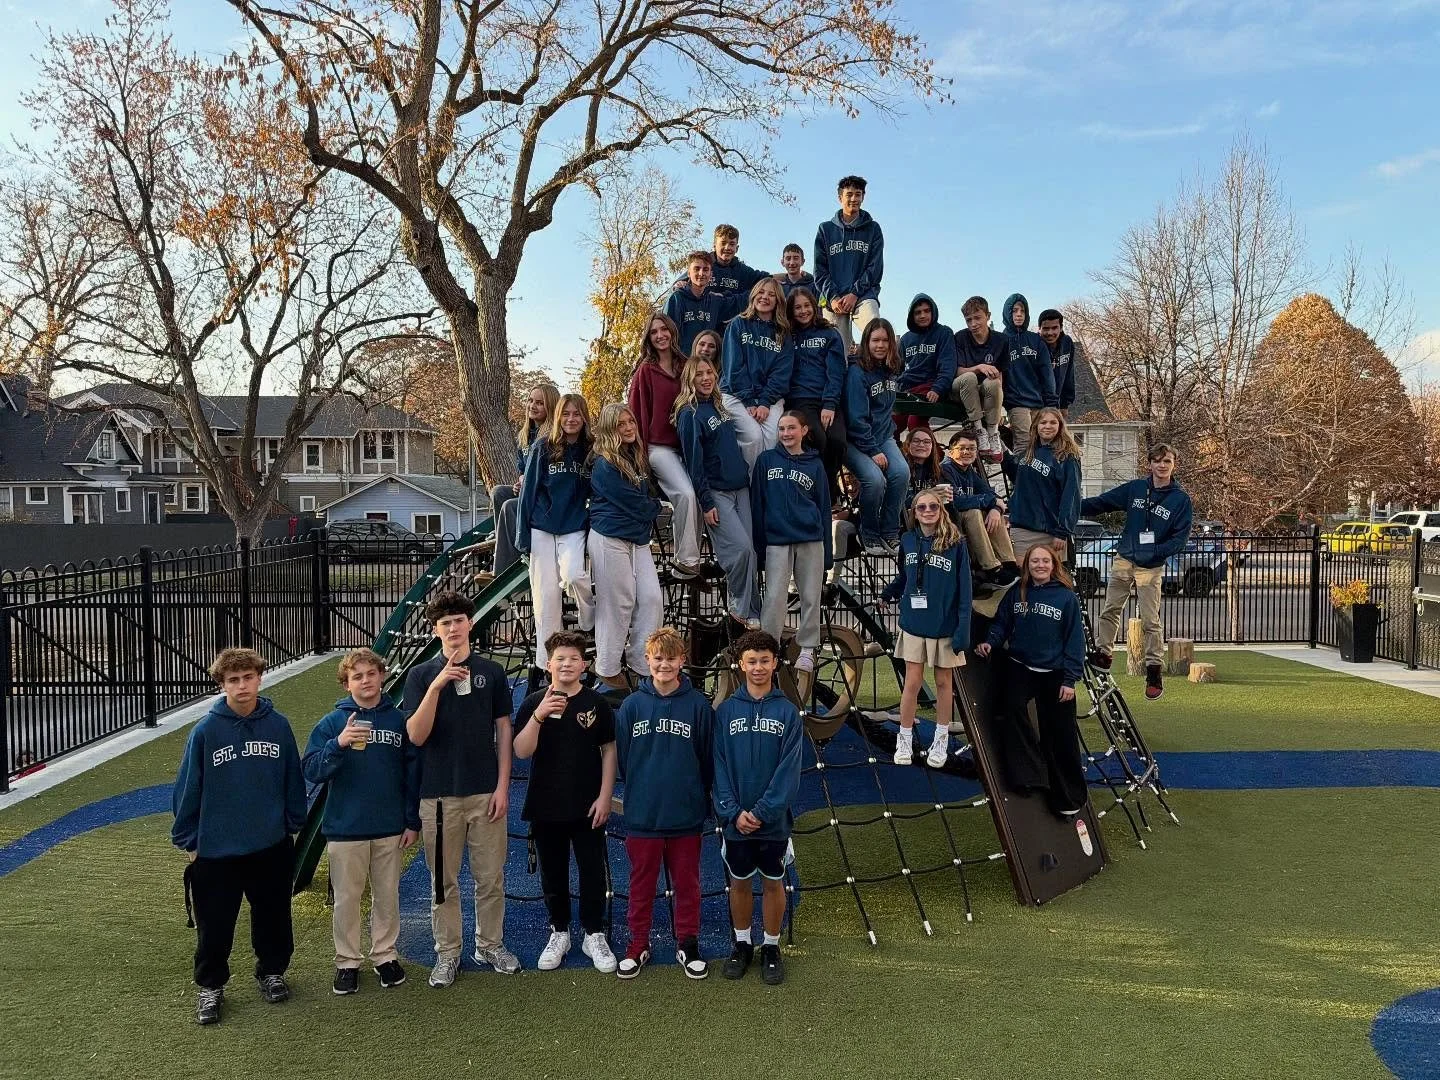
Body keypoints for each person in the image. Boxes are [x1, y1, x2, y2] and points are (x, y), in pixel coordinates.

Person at [172, 647, 306, 1025]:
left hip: (270, 844)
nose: (242, 686)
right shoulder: (206, 731)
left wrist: (292, 822)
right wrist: (190, 840)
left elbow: (292, 776)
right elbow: (187, 788)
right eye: (233, 680)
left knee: (273, 916)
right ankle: (211, 986)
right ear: (222, 685)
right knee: (215, 924)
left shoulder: (278, 726)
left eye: (248, 677)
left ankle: (272, 971)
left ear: (260, 678)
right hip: (218, 850)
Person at [404, 591, 518, 986]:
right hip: (438, 795)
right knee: (443, 881)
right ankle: (448, 952)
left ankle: (490, 945)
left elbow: (504, 730)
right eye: (445, 623)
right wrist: (436, 687)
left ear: (470, 623)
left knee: (491, 877)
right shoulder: (421, 675)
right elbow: (416, 736)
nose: (453, 628)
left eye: (458, 620)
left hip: (484, 791)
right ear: (435, 630)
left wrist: (503, 786)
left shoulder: (491, 672)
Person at [302, 648, 421, 996]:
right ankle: (347, 961)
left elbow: (411, 774)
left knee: (387, 896)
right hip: (346, 828)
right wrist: (338, 744)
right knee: (346, 899)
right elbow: (312, 769)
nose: (366, 681)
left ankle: (385, 955)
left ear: (382, 676)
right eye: (357, 676)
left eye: (371, 673)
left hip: (389, 826)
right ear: (346, 684)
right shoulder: (332, 722)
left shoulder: (398, 720)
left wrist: (411, 821)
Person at [512, 630, 618, 973]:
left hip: (587, 805)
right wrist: (539, 715)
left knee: (592, 871)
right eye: (560, 658)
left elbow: (608, 750)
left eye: (574, 658)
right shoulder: (534, 702)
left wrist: (605, 796)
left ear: (584, 665)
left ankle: (593, 933)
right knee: (553, 873)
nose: (567, 664)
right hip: (546, 805)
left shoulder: (597, 703)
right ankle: (560, 931)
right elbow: (521, 751)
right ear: (548, 664)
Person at [614, 627, 715, 980]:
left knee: (688, 884)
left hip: (686, 814)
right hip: (644, 814)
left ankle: (688, 943)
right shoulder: (631, 706)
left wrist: (695, 796)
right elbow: (624, 760)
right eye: (658, 658)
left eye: (671, 658)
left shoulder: (698, 705)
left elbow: (706, 758)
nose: (664, 665)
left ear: (682, 661)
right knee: (641, 886)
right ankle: (638, 944)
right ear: (647, 660)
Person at [713, 630, 803, 986]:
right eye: (752, 661)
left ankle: (771, 946)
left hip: (772, 822)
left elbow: (788, 771)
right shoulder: (725, 712)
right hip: (735, 819)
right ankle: (741, 944)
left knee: (773, 882)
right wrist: (732, 811)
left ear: (775, 663)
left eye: (765, 660)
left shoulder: (788, 713)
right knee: (738, 883)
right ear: (740, 664)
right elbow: (718, 766)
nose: (758, 667)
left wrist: (764, 811)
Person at [975, 545, 1089, 823]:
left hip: (1055, 672)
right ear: (1027, 565)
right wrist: (990, 641)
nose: (1040, 565)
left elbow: (1075, 641)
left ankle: (1068, 798)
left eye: (1045, 561)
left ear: (1053, 565)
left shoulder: (1066, 598)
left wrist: (1070, 680)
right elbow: (1002, 622)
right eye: (1035, 561)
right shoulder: (1018, 592)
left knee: (1060, 732)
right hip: (1022, 665)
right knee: (1009, 709)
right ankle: (1029, 774)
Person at [1081, 443, 1194, 700]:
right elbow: (1102, 503)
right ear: (1150, 464)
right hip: (1125, 558)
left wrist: (1155, 551)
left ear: (1173, 465)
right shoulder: (1136, 489)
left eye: (1167, 461)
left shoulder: (1180, 500)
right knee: (1110, 608)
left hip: (1150, 566)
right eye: (1157, 461)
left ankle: (1153, 670)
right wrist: (1069, 506)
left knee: (1150, 620)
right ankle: (1104, 653)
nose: (1162, 465)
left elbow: (1180, 538)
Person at [881, 489, 972, 768]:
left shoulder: (956, 542)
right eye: (922, 507)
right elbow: (906, 576)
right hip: (914, 622)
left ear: (941, 510)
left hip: (944, 624)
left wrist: (963, 628)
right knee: (912, 682)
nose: (928, 511)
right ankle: (904, 739)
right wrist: (888, 593)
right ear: (914, 512)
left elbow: (965, 588)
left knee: (944, 683)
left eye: (933, 506)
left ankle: (940, 739)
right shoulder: (907, 540)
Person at [675, 353, 760, 630]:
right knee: (740, 551)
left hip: (740, 488)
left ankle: (753, 612)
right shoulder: (689, 414)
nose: (705, 378)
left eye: (709, 372)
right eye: (699, 374)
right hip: (717, 493)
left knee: (751, 553)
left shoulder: (719, 406)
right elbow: (694, 462)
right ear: (690, 379)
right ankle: (738, 606)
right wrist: (706, 501)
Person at [516, 393, 596, 671]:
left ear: (584, 418)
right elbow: (528, 491)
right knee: (545, 597)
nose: (571, 419)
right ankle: (547, 663)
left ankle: (588, 620)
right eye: (566, 414)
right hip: (542, 526)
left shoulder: (591, 450)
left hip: (573, 524)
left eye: (576, 414)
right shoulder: (543, 447)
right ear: (558, 417)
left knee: (574, 575)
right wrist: (523, 536)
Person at [587, 402, 663, 690]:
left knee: (652, 598)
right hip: (610, 538)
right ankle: (607, 667)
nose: (629, 427)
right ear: (610, 429)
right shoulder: (604, 464)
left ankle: (640, 662)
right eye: (621, 424)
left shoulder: (637, 457)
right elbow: (636, 505)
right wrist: (656, 507)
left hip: (637, 540)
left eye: (630, 421)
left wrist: (651, 504)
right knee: (618, 603)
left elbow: (647, 496)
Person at [752, 411, 832, 673]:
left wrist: (828, 553)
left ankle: (808, 649)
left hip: (810, 538)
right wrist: (759, 546)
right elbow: (757, 504)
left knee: (810, 595)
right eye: (782, 428)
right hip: (777, 540)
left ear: (804, 430)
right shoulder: (766, 460)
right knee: (774, 596)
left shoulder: (815, 464)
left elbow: (823, 507)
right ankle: (769, 648)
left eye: (791, 428)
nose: (786, 433)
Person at [629, 312, 701, 578]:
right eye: (653, 332)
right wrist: (639, 456)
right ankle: (687, 560)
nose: (660, 335)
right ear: (648, 338)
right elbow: (636, 415)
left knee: (701, 494)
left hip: (687, 446)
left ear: (672, 331)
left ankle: (696, 556)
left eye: (663, 330)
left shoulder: (685, 366)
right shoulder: (646, 371)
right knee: (685, 493)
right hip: (658, 447)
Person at [844, 318, 909, 556]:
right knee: (875, 480)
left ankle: (890, 531)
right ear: (867, 342)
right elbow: (856, 418)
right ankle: (869, 532)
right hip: (855, 439)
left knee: (901, 473)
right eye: (875, 340)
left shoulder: (891, 369)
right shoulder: (857, 372)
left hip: (882, 436)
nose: (880, 345)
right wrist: (873, 451)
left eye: (885, 340)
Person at [721, 276, 794, 467]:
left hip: (769, 398)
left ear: (778, 301)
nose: (765, 297)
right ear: (753, 296)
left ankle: (766, 482)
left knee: (772, 438)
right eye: (761, 292)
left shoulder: (783, 333)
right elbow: (733, 367)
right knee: (753, 437)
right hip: (736, 394)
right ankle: (750, 482)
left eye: (771, 294)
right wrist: (748, 400)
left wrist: (765, 402)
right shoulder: (738, 324)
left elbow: (781, 373)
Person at [784, 286, 849, 497]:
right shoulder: (788, 335)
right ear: (791, 311)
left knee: (837, 441)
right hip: (800, 399)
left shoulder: (830, 334)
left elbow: (836, 371)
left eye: (807, 306)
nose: (803, 311)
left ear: (814, 306)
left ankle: (828, 492)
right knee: (817, 439)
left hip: (827, 398)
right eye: (797, 308)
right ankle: (814, 491)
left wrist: (829, 403)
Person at [491, 382, 559, 579]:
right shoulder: (525, 435)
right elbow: (522, 467)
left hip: (545, 496)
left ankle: (502, 571)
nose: (532, 406)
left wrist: (528, 483)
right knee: (498, 493)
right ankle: (504, 549)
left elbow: (551, 474)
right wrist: (521, 479)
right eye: (530, 400)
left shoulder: (552, 438)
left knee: (510, 507)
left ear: (551, 407)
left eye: (540, 403)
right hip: (528, 490)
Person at [814, 175, 883, 350]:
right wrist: (833, 297)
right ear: (840, 198)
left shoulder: (873, 229)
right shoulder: (825, 229)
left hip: (863, 295)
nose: (854, 199)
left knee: (876, 332)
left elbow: (875, 268)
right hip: (834, 299)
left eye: (858, 194)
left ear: (863, 197)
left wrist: (855, 293)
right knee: (837, 350)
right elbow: (820, 271)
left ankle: (881, 368)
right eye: (849, 194)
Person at [1003, 407, 1081, 560]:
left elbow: (1071, 496)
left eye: (1053, 422)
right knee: (1023, 573)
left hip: (1051, 533)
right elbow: (1016, 477)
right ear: (1036, 426)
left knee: (1048, 574)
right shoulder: (1028, 452)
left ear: (1060, 426)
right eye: (1043, 422)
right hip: (1021, 529)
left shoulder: (1067, 457)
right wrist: (1001, 447)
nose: (1047, 426)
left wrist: (1062, 531)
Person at [943, 430, 1019, 584]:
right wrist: (989, 501)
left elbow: (991, 495)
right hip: (951, 522)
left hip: (967, 522)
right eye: (961, 448)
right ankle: (991, 568)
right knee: (974, 512)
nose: (967, 452)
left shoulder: (969, 471)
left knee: (993, 514)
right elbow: (956, 502)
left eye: (971, 448)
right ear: (951, 452)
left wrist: (996, 509)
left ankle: (1009, 563)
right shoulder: (945, 469)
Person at [951, 297, 1008, 463]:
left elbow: (1000, 374)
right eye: (969, 320)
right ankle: (978, 429)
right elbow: (957, 371)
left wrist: (999, 409)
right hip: (962, 389)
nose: (973, 324)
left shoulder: (1001, 340)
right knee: (969, 377)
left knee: (994, 382)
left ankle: (992, 431)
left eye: (977, 318)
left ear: (988, 316)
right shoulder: (960, 337)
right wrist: (979, 367)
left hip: (985, 393)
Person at [999, 293, 1057, 450]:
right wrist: (999, 408)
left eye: (1022, 311)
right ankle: (1022, 467)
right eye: (1014, 310)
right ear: (1007, 313)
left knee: (1042, 444)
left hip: (1038, 403)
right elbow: (998, 377)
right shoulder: (1001, 341)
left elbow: (1047, 373)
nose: (1019, 314)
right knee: (1024, 443)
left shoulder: (1036, 340)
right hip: (1016, 403)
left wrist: (1051, 404)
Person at [665, 250, 747, 355]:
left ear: (711, 274)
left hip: (704, 363)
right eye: (697, 269)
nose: (701, 273)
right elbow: (666, 336)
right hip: (680, 362)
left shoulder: (714, 302)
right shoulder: (676, 298)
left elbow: (741, 301)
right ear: (689, 273)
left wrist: (763, 289)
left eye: (706, 269)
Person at [897, 293, 957, 430]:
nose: (922, 315)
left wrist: (938, 388)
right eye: (918, 312)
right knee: (892, 424)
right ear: (912, 316)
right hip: (907, 388)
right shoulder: (905, 339)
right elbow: (896, 368)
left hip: (930, 387)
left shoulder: (944, 333)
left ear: (933, 311)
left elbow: (948, 365)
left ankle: (930, 445)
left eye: (927, 311)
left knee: (915, 423)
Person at [708, 223, 770, 299]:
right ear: (714, 246)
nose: (727, 247)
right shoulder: (702, 266)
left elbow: (769, 279)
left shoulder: (744, 271)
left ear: (737, 248)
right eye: (723, 243)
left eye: (732, 244)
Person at [901, 425, 946, 520]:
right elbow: (899, 502)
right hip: (905, 519)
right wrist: (929, 495)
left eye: (926, 442)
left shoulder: (938, 470)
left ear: (932, 446)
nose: (921, 445)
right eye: (916, 441)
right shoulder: (901, 468)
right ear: (908, 445)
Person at [1036, 309, 1076, 413]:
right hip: (1037, 403)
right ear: (1039, 328)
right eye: (1046, 329)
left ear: (1061, 328)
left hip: (1059, 404)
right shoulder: (1033, 345)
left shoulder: (1067, 343)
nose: (1050, 333)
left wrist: (1065, 404)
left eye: (1054, 328)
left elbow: (1069, 374)